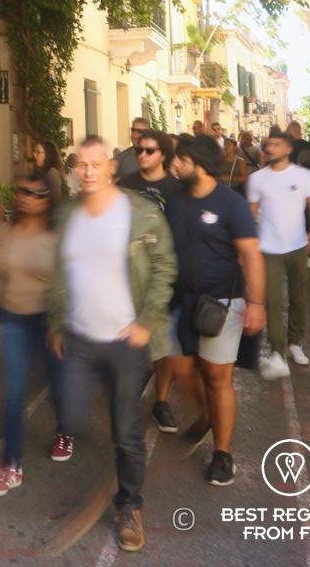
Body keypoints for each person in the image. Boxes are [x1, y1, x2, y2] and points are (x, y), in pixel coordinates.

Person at [49, 135, 176, 554]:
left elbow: (165, 266)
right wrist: (57, 323)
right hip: (81, 338)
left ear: (111, 168)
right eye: (81, 165)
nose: (87, 172)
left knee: (125, 431)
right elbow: (59, 271)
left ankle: (130, 506)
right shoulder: (68, 214)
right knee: (69, 413)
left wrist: (147, 321)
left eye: (95, 164)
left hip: (124, 340)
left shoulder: (139, 212)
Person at [165, 134, 266, 487]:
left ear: (199, 164)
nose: (174, 164)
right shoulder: (175, 201)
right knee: (178, 367)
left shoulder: (230, 203)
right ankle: (209, 414)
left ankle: (222, 454)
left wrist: (256, 304)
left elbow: (250, 255)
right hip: (181, 301)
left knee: (216, 377)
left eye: (180, 159)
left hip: (222, 303)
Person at [0, 175, 66, 496]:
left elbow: (65, 285)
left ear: (47, 200)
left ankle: (64, 431)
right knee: (14, 391)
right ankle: (11, 465)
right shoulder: (8, 233)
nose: (26, 197)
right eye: (22, 191)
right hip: (13, 318)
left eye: (35, 193)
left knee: (57, 383)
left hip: (47, 321)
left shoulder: (55, 239)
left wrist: (60, 325)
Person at [118, 128, 183, 436]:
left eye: (149, 150)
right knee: (127, 340)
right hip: (127, 277)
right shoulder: (125, 185)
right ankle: (125, 396)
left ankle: (161, 400)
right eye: (139, 150)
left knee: (163, 345)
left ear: (163, 155)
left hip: (160, 274)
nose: (142, 155)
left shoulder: (176, 189)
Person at [247, 131, 310, 379]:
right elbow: (251, 213)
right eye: (268, 145)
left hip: (298, 247)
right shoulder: (257, 179)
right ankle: (277, 351)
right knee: (272, 301)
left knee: (298, 298)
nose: (270, 148)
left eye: (276, 145)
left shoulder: (303, 176)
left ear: (288, 149)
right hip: (268, 249)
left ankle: (295, 343)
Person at [286, 120, 310, 269]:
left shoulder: (289, 148)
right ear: (300, 131)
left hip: (295, 191)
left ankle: (297, 255)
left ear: (290, 132)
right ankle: (309, 256)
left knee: (296, 222)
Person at [115, 117, 150, 184]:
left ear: (148, 133)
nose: (134, 135)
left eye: (140, 132)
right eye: (133, 130)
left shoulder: (157, 156)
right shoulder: (121, 158)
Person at [32, 140, 65, 204]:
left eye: (38, 152)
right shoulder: (40, 172)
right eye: (34, 151)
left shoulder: (52, 173)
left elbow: (55, 201)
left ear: (48, 154)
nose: (34, 154)